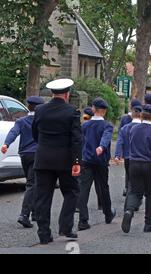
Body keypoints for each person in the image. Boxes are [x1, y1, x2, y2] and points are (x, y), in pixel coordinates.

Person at [32, 79, 82, 244]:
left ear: (52, 93)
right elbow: (76, 139)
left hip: (43, 158)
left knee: (43, 196)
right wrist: (76, 161)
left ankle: (44, 233)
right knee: (71, 192)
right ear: (67, 94)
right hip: (65, 160)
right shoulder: (72, 111)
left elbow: (35, 133)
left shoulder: (40, 110)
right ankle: (65, 227)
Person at [1, 96, 45, 228]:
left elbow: (13, 133)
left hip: (24, 155)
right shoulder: (42, 121)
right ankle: (24, 215)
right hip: (38, 154)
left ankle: (35, 212)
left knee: (34, 182)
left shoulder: (21, 121)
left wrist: (6, 144)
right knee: (33, 184)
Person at [122, 105, 151, 234]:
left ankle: (129, 210)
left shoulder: (133, 129)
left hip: (134, 163)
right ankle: (148, 223)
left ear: (141, 116)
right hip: (149, 164)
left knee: (135, 191)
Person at [77, 98, 116, 231]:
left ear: (93, 109)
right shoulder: (107, 125)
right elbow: (106, 137)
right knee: (103, 187)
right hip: (101, 161)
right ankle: (108, 214)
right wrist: (101, 147)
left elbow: (80, 141)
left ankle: (83, 220)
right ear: (104, 111)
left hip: (87, 160)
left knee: (84, 189)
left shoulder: (85, 125)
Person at [115, 104, 142, 197]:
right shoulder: (145, 128)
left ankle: (128, 189)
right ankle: (136, 198)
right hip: (141, 157)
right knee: (139, 178)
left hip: (127, 156)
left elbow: (119, 141)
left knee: (129, 174)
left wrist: (117, 155)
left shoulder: (124, 128)